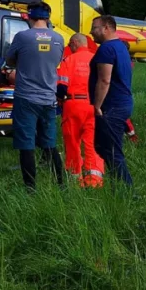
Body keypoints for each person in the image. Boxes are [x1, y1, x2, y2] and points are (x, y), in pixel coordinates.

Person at [3, 3, 66, 191]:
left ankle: (30, 188)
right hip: (48, 97)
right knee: (49, 142)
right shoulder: (59, 38)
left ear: (29, 17)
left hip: (26, 97)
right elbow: (57, 61)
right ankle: (61, 184)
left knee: (26, 143)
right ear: (48, 17)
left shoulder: (23, 37)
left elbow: (9, 60)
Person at [89, 15, 135, 189]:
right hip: (122, 103)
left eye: (94, 28)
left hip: (111, 106)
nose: (91, 32)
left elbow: (104, 80)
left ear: (106, 27)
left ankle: (126, 190)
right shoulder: (121, 47)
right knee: (103, 146)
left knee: (112, 151)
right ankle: (117, 185)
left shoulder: (106, 49)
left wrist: (97, 105)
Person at [57, 33, 104, 188]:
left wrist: (60, 101)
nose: (69, 47)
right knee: (92, 142)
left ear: (75, 43)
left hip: (73, 104)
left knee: (72, 142)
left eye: (70, 44)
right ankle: (94, 180)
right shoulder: (97, 60)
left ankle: (75, 181)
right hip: (93, 104)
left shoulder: (69, 60)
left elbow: (62, 87)